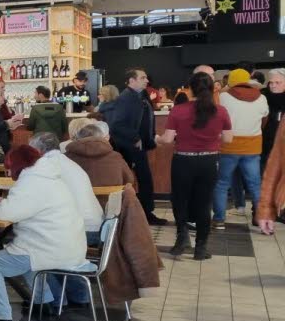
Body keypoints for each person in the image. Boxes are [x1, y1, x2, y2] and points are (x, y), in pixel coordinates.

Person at [0, 145, 89, 321]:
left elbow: (7, 213)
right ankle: (44, 303)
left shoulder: (31, 183)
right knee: (23, 255)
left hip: (49, 249)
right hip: (68, 245)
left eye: (8, 168)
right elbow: (24, 206)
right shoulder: (48, 178)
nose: (8, 173)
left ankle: (2, 318)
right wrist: (7, 203)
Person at [159, 72, 232, 258]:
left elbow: (167, 139)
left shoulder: (178, 110)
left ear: (190, 89)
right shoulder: (221, 111)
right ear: (211, 88)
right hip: (209, 161)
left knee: (180, 199)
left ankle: (182, 236)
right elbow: (228, 139)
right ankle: (201, 247)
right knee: (204, 202)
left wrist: (156, 138)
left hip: (183, 160)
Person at [109, 68, 165, 224]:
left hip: (138, 145)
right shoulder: (125, 98)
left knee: (143, 179)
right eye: (143, 78)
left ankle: (144, 212)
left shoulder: (141, 95)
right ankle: (142, 214)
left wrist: (151, 136)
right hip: (129, 146)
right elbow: (116, 125)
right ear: (132, 81)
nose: (147, 80)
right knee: (141, 179)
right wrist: (135, 138)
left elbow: (146, 118)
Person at [29, 131, 103, 247]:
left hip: (78, 232)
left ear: (37, 151)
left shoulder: (45, 166)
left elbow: (32, 203)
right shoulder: (69, 163)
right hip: (96, 228)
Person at [214, 68, 269, 226]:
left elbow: (217, 117)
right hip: (252, 146)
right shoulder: (262, 98)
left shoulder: (223, 96)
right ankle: (261, 220)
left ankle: (218, 220)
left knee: (222, 183)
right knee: (255, 185)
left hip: (228, 146)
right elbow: (264, 119)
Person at [65, 122, 136, 188]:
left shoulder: (67, 158)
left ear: (78, 139)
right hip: (110, 201)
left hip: (79, 201)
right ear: (103, 138)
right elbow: (129, 181)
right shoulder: (116, 157)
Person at [262, 68, 285, 172]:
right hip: (265, 143)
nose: (273, 85)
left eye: (277, 82)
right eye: (271, 82)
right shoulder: (262, 97)